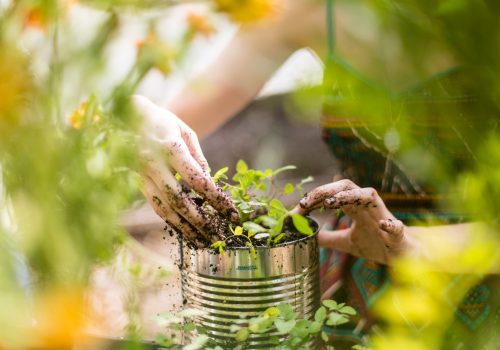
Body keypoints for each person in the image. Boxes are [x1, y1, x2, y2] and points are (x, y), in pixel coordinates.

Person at [133, 0, 498, 348]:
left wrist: (415, 246)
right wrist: (139, 118)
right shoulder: (308, 9)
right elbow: (171, 124)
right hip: (351, 293)